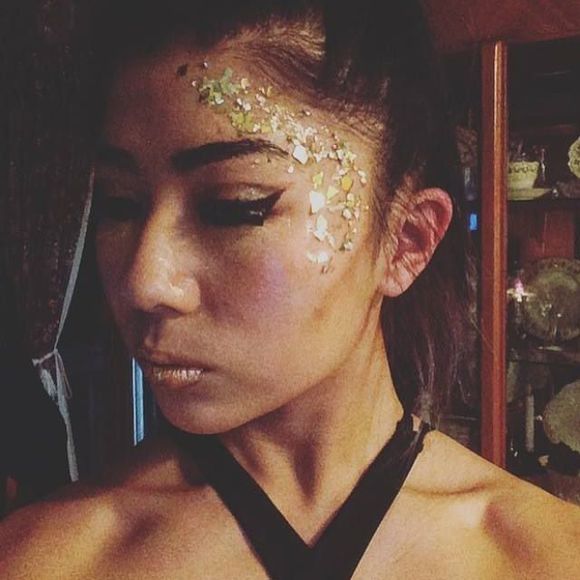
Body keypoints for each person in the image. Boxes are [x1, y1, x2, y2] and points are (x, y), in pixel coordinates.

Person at [1, 0, 579, 578]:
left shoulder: (549, 556)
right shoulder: (48, 558)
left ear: (405, 241)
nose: (143, 282)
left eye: (236, 207)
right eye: (118, 204)